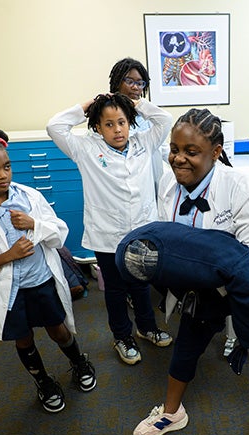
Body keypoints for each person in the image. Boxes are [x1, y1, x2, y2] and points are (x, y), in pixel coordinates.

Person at [123, 108, 249, 435]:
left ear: (216, 152)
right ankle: (173, 411)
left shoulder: (238, 188)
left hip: (244, 283)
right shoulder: (168, 185)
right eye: (175, 150)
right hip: (199, 286)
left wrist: (214, 263)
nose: (179, 159)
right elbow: (169, 241)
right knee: (187, 344)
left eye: (191, 152)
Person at [0, 128, 96, 413]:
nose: (2, 175)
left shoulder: (29, 198)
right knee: (23, 339)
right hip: (9, 290)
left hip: (40, 282)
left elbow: (59, 233)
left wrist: (34, 223)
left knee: (58, 330)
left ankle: (78, 361)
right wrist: (5, 257)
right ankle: (43, 380)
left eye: (6, 167)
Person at [46, 93, 174, 365]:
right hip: (107, 234)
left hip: (142, 229)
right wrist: (85, 107)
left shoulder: (144, 142)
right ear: (97, 127)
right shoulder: (85, 148)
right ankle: (122, 336)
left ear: (130, 123)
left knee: (141, 283)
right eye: (109, 124)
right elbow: (54, 126)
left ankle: (146, 327)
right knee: (115, 289)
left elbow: (165, 120)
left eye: (122, 122)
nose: (117, 129)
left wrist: (136, 104)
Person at [109, 57, 167, 191]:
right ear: (117, 82)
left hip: (152, 187)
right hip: (121, 188)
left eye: (140, 83)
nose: (135, 87)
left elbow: (162, 148)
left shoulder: (148, 116)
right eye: (129, 81)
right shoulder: (105, 116)